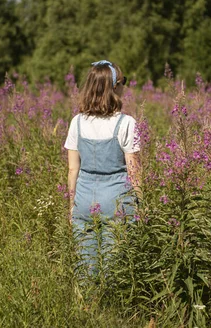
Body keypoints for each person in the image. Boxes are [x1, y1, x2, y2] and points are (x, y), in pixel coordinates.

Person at [64, 60, 142, 277]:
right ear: (114, 88)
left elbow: (72, 171)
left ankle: (87, 307)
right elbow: (134, 170)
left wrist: (71, 206)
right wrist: (140, 203)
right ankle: (111, 308)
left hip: (83, 200)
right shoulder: (126, 123)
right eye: (123, 81)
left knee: (86, 268)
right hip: (116, 201)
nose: (125, 86)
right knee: (115, 268)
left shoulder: (77, 122)